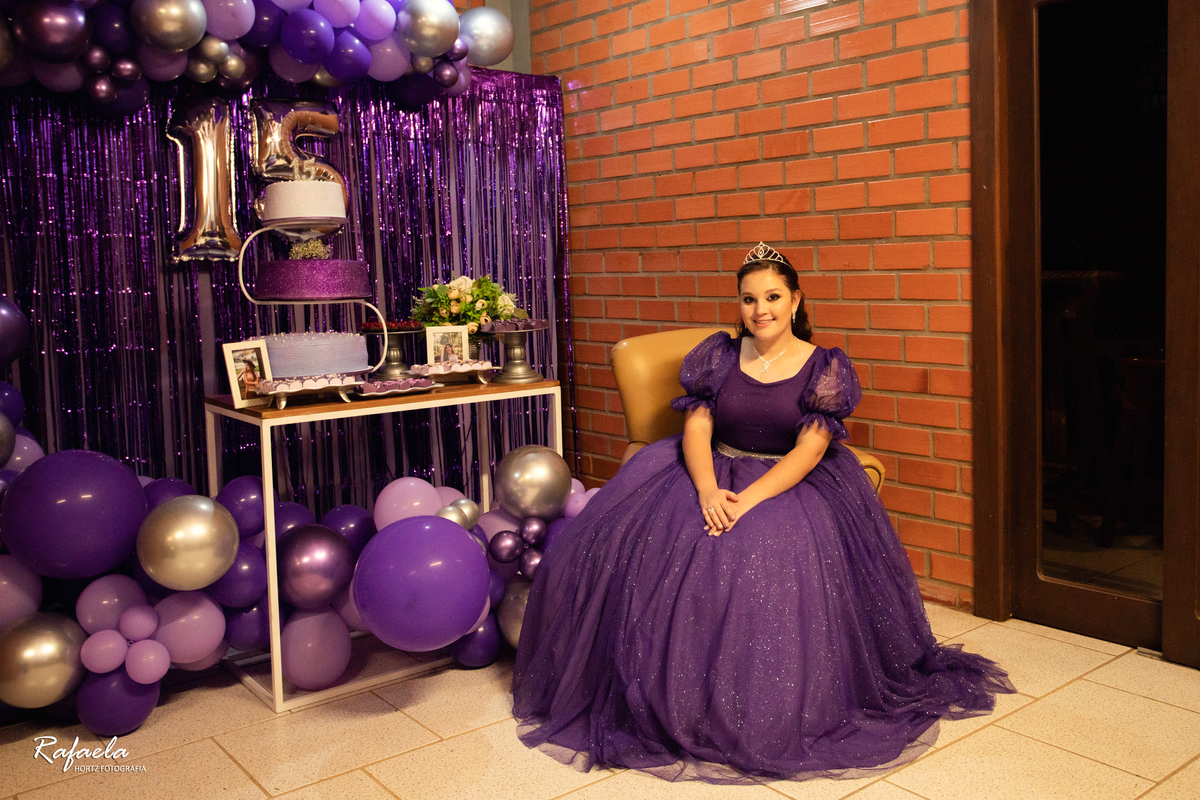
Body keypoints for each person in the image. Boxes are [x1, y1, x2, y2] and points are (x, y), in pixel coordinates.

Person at [511, 243, 1014, 784]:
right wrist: (708, 490)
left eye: (773, 297)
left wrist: (747, 500)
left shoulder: (824, 365)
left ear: (795, 300)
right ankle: (674, 700)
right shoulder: (718, 356)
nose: (760, 309)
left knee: (756, 545)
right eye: (749, 299)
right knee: (653, 538)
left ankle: (753, 708)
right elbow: (697, 429)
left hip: (788, 479)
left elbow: (809, 452)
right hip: (710, 468)